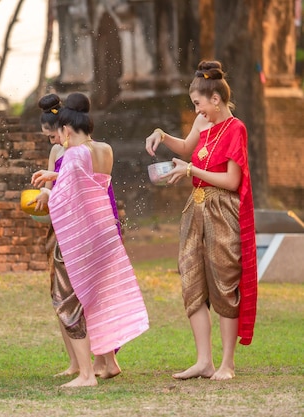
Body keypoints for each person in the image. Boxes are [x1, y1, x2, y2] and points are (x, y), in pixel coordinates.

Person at [145, 60, 257, 381]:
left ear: (216, 99)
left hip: (224, 210)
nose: (197, 110)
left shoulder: (236, 129)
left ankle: (227, 364)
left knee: (224, 283)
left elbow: (232, 181)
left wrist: (191, 170)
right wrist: (161, 134)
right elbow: (185, 147)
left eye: (198, 103)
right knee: (192, 278)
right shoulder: (201, 122)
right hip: (195, 208)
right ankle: (203, 361)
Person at [36, 93, 149, 387]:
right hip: (105, 227)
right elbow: (93, 187)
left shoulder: (74, 154)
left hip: (80, 233)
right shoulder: (104, 150)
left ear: (68, 129)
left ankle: (86, 374)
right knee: (99, 296)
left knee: (70, 299)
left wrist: (49, 192)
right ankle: (109, 363)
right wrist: (56, 178)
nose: (58, 140)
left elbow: (69, 197)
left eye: (58, 133)